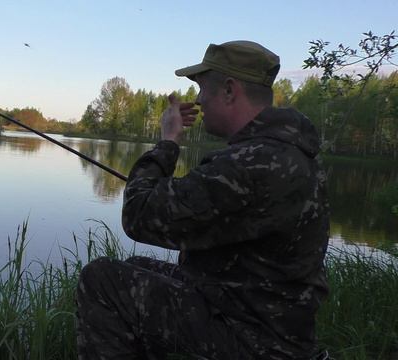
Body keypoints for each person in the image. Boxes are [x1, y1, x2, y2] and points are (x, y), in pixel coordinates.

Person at [75, 41, 330, 359]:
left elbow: (139, 216)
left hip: (253, 339)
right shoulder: (292, 152)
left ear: (228, 90)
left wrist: (168, 141)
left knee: (102, 281)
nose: (197, 100)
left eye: (201, 88)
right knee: (135, 266)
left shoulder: (250, 162)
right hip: (269, 320)